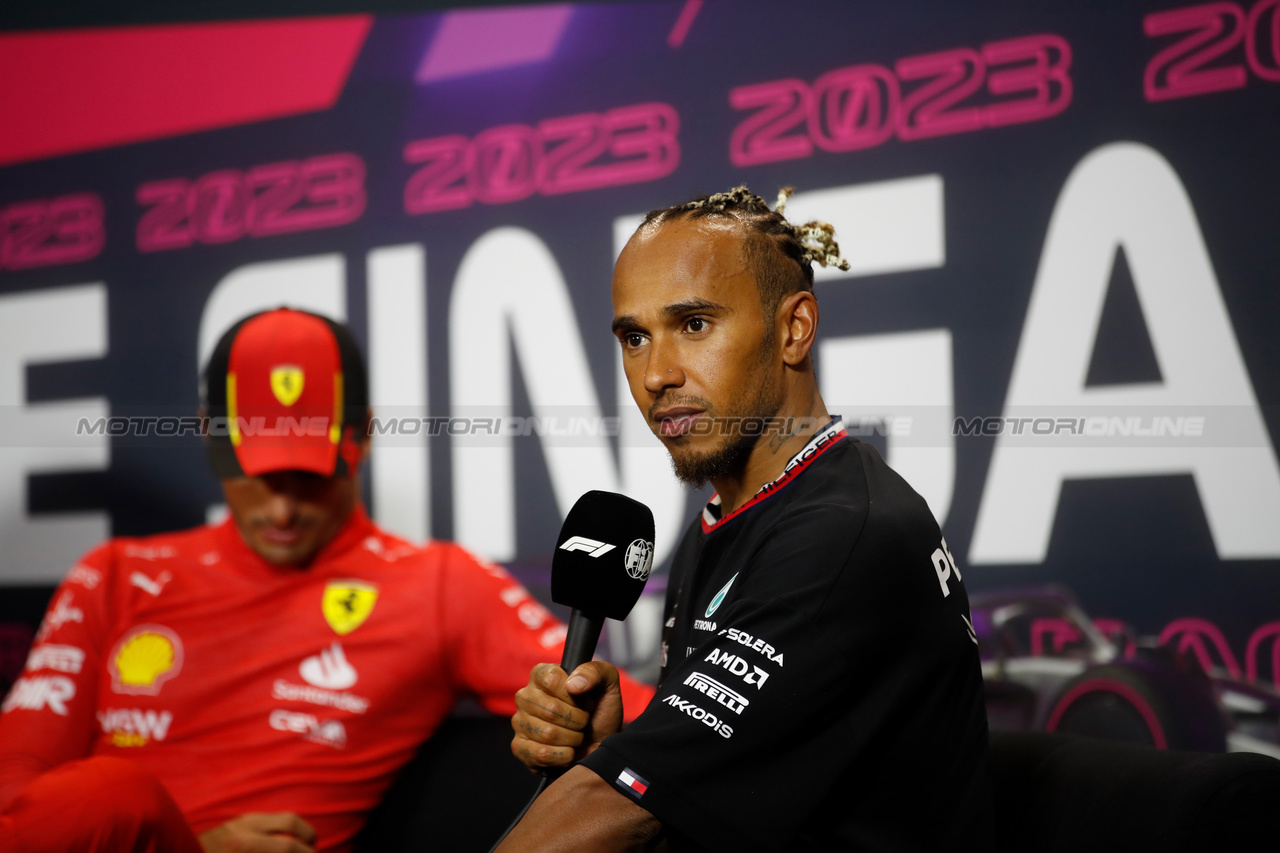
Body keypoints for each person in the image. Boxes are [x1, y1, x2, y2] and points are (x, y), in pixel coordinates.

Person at [0, 307, 654, 853]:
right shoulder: (115, 574)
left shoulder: (438, 583)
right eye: (259, 471)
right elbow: (15, 794)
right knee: (110, 799)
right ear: (209, 435)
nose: (281, 508)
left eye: (308, 473)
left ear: (362, 436)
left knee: (115, 795)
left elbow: (648, 719)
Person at [502, 186, 993, 851]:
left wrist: (616, 776)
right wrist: (619, 746)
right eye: (635, 336)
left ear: (794, 328)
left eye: (695, 324)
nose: (655, 374)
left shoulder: (845, 534)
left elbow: (613, 809)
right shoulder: (731, 517)